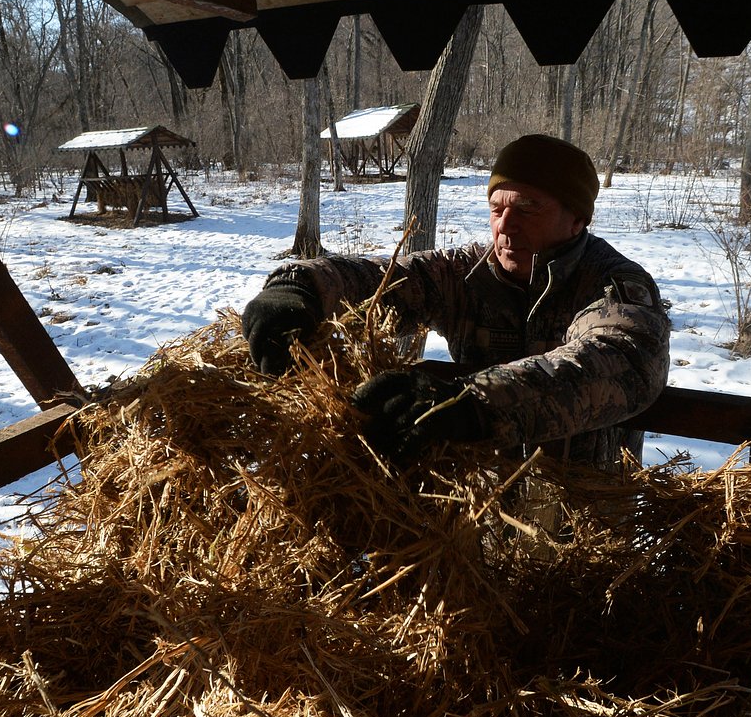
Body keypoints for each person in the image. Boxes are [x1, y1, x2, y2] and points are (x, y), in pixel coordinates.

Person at [240, 134, 671, 471]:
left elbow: (624, 360)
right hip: (478, 516)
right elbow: (384, 281)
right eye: (496, 208)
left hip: (585, 523)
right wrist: (301, 287)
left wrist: (469, 405)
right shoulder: (465, 274)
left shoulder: (613, 283)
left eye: (527, 209)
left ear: (577, 218)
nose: (506, 227)